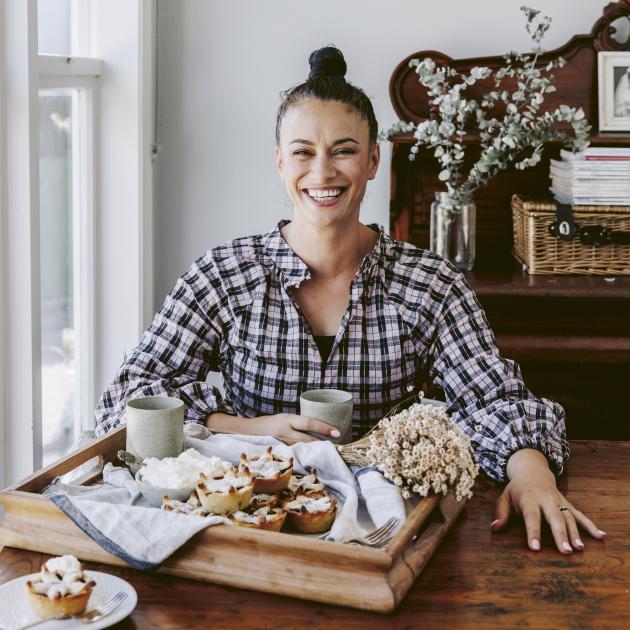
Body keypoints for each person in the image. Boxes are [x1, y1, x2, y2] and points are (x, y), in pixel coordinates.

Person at [96, 46, 605, 555]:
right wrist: (246, 427)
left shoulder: (429, 283)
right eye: (302, 152)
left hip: (387, 536)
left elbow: (495, 400)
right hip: (246, 530)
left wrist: (533, 474)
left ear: (373, 160)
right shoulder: (225, 273)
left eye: (343, 150)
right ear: (279, 162)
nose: (323, 172)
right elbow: (131, 393)